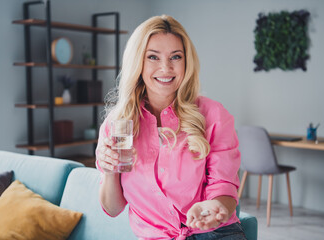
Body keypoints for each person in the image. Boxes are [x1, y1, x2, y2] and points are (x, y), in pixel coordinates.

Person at [96, 14, 246, 240]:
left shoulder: (213, 115)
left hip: (213, 234)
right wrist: (109, 173)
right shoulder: (117, 125)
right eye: (153, 57)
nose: (165, 67)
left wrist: (211, 209)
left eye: (175, 56)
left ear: (187, 62)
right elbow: (113, 208)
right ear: (138, 61)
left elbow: (224, 188)